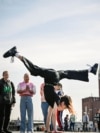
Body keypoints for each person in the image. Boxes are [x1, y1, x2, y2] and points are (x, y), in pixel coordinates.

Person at [3, 46, 98, 132]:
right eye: (64, 107)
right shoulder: (56, 100)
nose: (62, 109)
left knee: (68, 73)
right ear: (63, 103)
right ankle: (15, 53)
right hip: (52, 77)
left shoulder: (54, 102)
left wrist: (51, 130)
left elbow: (49, 116)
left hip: (54, 77)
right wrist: (51, 130)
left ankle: (91, 70)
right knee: (34, 70)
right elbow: (53, 116)